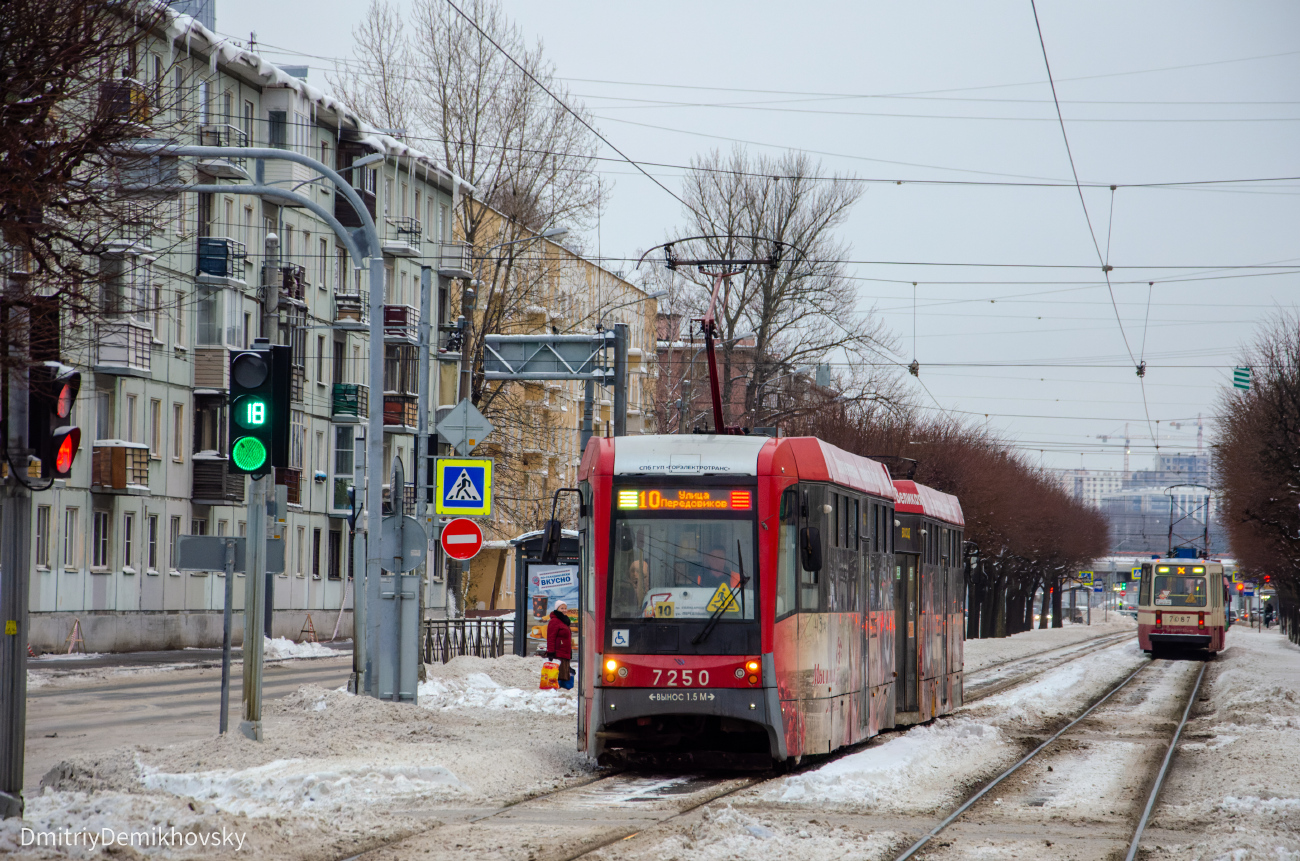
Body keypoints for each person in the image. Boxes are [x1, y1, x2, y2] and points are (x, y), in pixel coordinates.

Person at [546, 601, 573, 688]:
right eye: (562, 608)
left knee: (563, 675)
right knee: (557, 674)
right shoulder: (554, 621)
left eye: (565, 608)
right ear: (557, 609)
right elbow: (551, 637)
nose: (564, 610)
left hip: (565, 653)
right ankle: (553, 691)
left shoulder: (564, 621)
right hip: (558, 653)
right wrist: (550, 652)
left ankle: (558, 690)